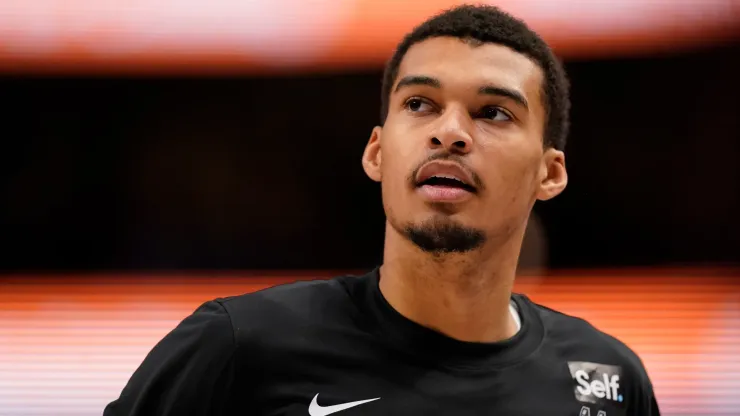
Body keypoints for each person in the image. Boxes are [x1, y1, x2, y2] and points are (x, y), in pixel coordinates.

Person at [104, 5, 660, 415]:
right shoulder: (236, 347)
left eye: (492, 112)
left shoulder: (608, 380)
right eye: (420, 104)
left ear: (550, 173)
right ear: (376, 151)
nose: (450, 133)